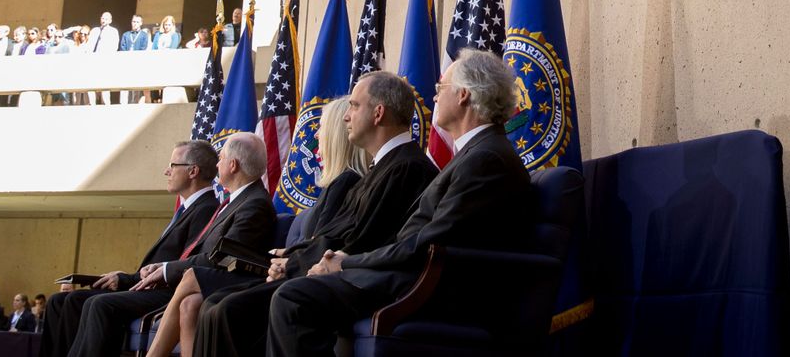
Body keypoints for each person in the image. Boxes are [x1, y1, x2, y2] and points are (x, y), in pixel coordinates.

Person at [265, 50, 536, 355]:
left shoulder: (486, 158)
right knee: (284, 294)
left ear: (463, 95)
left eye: (439, 89)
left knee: (293, 299)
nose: (433, 98)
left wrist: (346, 263)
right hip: (413, 276)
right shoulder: (476, 154)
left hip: (434, 287)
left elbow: (426, 243)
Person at [190, 72, 437, 357]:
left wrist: (295, 264)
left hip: (368, 280)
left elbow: (361, 239)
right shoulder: (382, 169)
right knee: (217, 301)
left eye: (354, 106)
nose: (346, 117)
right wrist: (292, 260)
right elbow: (337, 233)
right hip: (338, 272)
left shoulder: (406, 167)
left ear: (378, 113)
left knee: (234, 308)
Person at [65, 134, 274, 357]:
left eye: (220, 158)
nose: (216, 164)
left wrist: (167, 270)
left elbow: (222, 256)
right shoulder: (234, 202)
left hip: (229, 281)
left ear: (233, 165)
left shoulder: (254, 204)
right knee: (185, 299)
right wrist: (163, 267)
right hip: (195, 280)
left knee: (104, 304)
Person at [40, 141, 222, 357]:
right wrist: (124, 277)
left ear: (193, 171)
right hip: (147, 286)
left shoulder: (206, 209)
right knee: (59, 301)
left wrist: (127, 280)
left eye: (172, 165)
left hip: (167, 293)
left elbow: (183, 266)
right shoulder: (187, 209)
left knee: (98, 303)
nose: (166, 171)